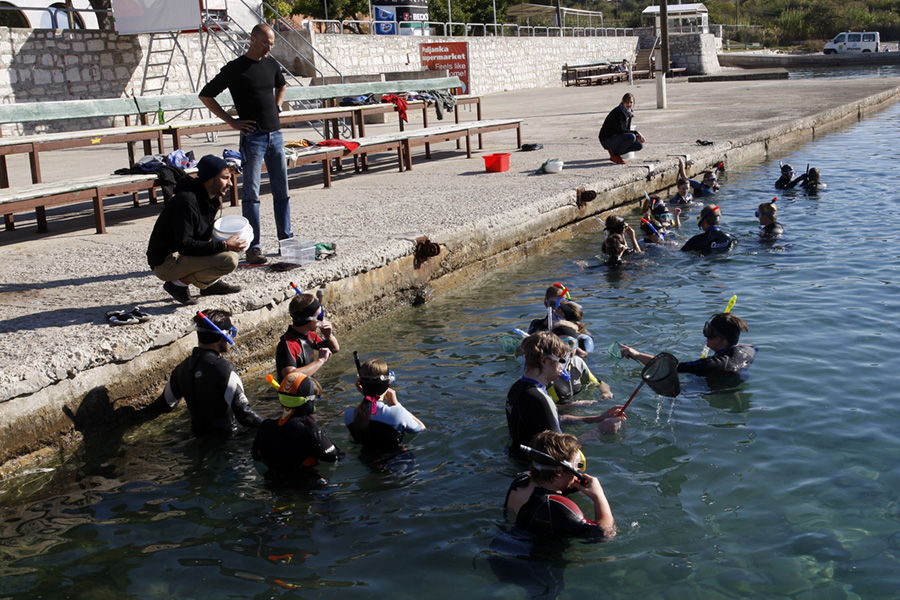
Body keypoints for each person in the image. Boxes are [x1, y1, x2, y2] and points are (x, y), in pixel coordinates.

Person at [199, 23, 292, 266]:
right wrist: (231, 121)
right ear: (252, 40)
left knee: (282, 192)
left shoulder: (271, 64)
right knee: (251, 194)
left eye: (271, 45)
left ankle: (286, 239)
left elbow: (281, 84)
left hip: (276, 135)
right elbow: (206, 94)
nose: (268, 49)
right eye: (265, 44)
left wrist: (278, 105)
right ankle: (254, 247)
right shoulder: (236, 69)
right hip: (253, 137)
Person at [146, 155, 245, 305]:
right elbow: (185, 245)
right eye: (225, 178)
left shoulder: (210, 199)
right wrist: (224, 245)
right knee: (229, 259)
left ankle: (209, 284)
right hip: (165, 263)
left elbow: (201, 237)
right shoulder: (186, 201)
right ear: (210, 178)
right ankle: (178, 284)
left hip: (183, 255)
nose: (230, 184)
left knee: (229, 250)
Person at [506, 332, 624, 454]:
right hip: (534, 468)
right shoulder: (538, 398)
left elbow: (557, 419)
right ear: (544, 361)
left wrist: (599, 418)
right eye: (561, 360)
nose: (563, 367)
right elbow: (559, 451)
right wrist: (600, 430)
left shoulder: (517, 387)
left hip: (516, 458)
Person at [157, 309, 263, 436]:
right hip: (228, 441)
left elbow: (165, 405)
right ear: (221, 336)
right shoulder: (223, 369)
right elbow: (245, 414)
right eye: (230, 333)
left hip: (198, 437)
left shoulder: (182, 368)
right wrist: (272, 428)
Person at [505, 431, 615, 539]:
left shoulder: (520, 480)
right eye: (576, 464)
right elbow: (604, 535)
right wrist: (599, 496)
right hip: (539, 556)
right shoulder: (558, 507)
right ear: (559, 472)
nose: (578, 470)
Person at [251, 371, 344, 479]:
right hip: (304, 486)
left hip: (271, 483)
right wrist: (317, 430)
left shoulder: (265, 426)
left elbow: (256, 456)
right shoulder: (309, 432)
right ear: (309, 403)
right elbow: (334, 457)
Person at [619, 313, 756, 379]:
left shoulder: (712, 364)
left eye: (711, 334)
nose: (706, 336)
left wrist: (635, 354)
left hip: (710, 391)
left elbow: (670, 367)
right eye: (707, 330)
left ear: (725, 340)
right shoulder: (749, 350)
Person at [344, 358, 426, 452]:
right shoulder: (398, 413)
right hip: (399, 462)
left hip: (367, 462)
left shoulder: (350, 414)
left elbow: (370, 409)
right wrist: (397, 404)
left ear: (360, 383)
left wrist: (367, 394)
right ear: (387, 383)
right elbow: (421, 428)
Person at [275, 292, 340, 379]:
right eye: (320, 316)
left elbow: (334, 349)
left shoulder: (310, 335)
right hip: (291, 392)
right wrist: (320, 360)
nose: (322, 320)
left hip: (307, 388)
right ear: (307, 320)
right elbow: (290, 377)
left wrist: (329, 336)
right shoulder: (288, 344)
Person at [548, 321, 612, 404]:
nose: (567, 349)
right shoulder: (546, 369)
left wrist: (606, 392)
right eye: (562, 344)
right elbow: (545, 408)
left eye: (571, 344)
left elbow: (598, 383)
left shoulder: (577, 362)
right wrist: (573, 405)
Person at [598, 93, 645, 164]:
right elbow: (621, 130)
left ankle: (614, 152)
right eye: (627, 102)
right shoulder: (618, 112)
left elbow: (627, 129)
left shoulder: (629, 113)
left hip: (617, 137)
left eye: (631, 102)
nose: (629, 104)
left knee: (639, 145)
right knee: (631, 137)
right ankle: (615, 154)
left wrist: (637, 136)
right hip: (607, 139)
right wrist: (636, 133)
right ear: (623, 101)